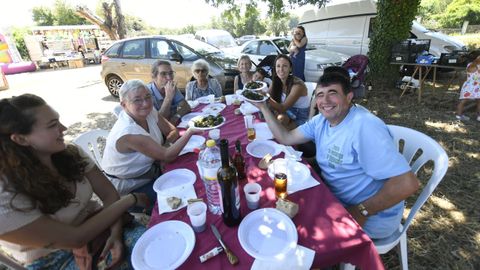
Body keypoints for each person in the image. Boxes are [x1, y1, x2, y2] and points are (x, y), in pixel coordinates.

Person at [253, 68, 420, 239]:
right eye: (320, 95)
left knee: (295, 234)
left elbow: (408, 183)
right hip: (335, 198)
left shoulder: (364, 127)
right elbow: (286, 137)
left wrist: (361, 211)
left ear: (348, 97)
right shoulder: (321, 121)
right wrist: (264, 107)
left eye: (332, 93)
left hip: (373, 216)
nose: (325, 100)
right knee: (280, 211)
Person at [0, 94, 148, 269]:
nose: (64, 128)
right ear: (21, 139)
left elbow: (109, 195)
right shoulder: (6, 194)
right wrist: (130, 199)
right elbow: (75, 238)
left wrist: (115, 234)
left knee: (155, 249)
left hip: (103, 227)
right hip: (56, 259)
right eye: (53, 125)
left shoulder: (70, 153)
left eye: (58, 121)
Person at [102, 79, 198, 210]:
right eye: (137, 100)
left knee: (192, 174)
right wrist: (191, 130)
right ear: (124, 105)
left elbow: (172, 131)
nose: (145, 103)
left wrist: (163, 148)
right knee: (184, 194)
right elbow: (168, 156)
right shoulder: (128, 132)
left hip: (152, 170)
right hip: (131, 186)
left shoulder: (149, 112)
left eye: (148, 97)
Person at [268, 54, 310, 128]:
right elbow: (268, 98)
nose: (281, 69)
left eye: (284, 66)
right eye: (278, 66)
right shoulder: (276, 81)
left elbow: (283, 108)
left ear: (290, 69)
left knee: (279, 130)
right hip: (287, 113)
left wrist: (264, 97)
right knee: (271, 120)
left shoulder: (297, 85)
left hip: (300, 117)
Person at [147, 60, 191, 124]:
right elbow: (159, 121)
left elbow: (186, 107)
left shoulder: (171, 87)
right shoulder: (147, 94)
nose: (169, 78)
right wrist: (168, 98)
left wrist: (175, 117)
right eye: (163, 74)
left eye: (171, 73)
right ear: (154, 77)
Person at [455, 52, 480, 121]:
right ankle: (479, 117)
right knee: (479, 102)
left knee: (462, 101)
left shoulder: (469, 65)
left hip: (468, 86)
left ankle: (458, 116)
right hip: (477, 87)